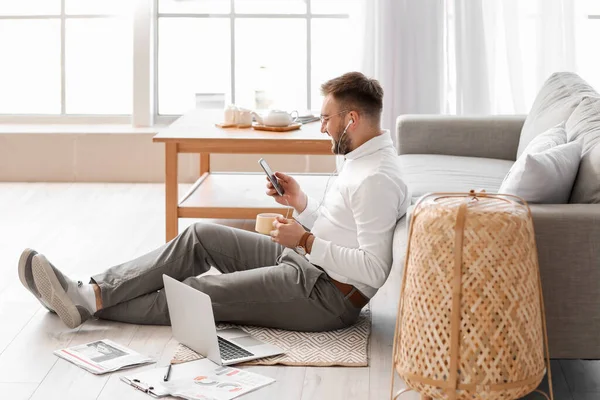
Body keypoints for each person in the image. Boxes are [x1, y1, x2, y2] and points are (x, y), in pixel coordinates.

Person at [18, 72, 410, 331]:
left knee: (198, 292)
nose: (323, 127)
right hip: (309, 265)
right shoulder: (362, 160)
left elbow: (374, 270)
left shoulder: (375, 179)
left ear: (353, 119)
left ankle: (82, 301)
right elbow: (347, 229)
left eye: (327, 119)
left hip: (326, 295)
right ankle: (89, 295)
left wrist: (306, 242)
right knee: (200, 235)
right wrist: (302, 204)